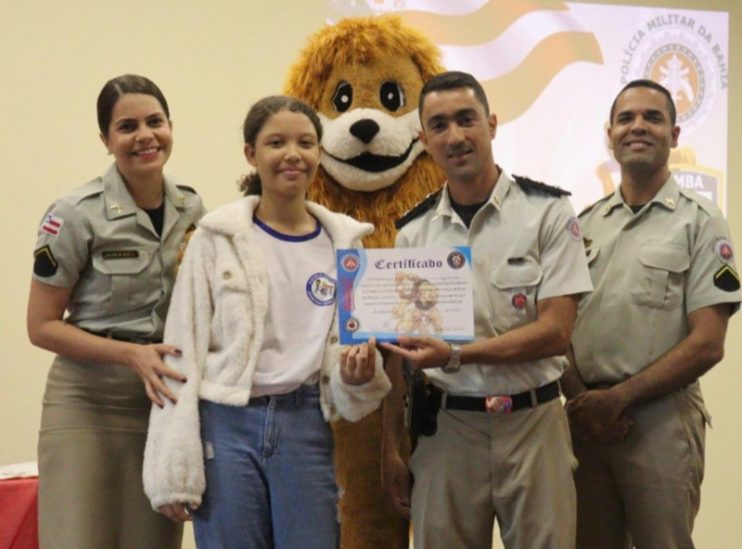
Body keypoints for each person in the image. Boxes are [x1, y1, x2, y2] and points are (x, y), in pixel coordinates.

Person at [143, 95, 391, 549]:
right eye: (276, 142)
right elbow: (182, 350)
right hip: (227, 426)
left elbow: (347, 360)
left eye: (306, 143)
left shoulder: (347, 247)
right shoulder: (215, 239)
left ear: (320, 154)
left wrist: (357, 376)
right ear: (251, 154)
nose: (292, 154)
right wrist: (173, 468)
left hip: (306, 425)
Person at [380, 70, 593, 549]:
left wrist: (456, 355)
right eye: (438, 125)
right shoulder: (414, 234)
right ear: (424, 141)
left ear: (492, 124)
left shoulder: (549, 213)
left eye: (466, 119)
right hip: (447, 430)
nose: (455, 136)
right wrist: (389, 446)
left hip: (533, 424)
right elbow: (400, 354)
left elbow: (556, 332)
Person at [27, 74, 205, 549]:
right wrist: (131, 356)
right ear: (106, 140)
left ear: (170, 127)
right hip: (86, 402)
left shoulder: (192, 208)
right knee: (77, 538)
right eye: (127, 127)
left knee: (152, 541)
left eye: (155, 121)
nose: (144, 136)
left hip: (161, 405)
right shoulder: (74, 213)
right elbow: (41, 327)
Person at [563, 79, 741, 549]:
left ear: (675, 135)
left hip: (659, 421)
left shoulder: (700, 221)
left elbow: (708, 343)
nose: (637, 126)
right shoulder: (584, 225)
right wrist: (585, 402)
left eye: (652, 117)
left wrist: (619, 398)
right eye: (626, 118)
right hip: (586, 421)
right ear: (610, 134)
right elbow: (558, 326)